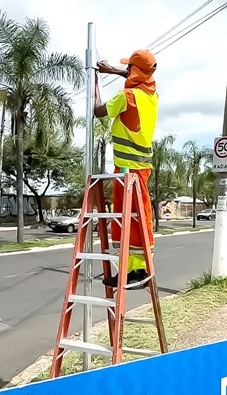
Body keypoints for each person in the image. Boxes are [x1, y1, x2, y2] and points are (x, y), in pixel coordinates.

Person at [94, 49, 158, 287]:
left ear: (134, 71)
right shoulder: (150, 93)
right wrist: (113, 70)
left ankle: (140, 271)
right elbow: (138, 77)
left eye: (129, 67)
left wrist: (95, 82)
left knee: (131, 222)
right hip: (135, 170)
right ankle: (130, 271)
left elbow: (98, 111)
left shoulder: (128, 96)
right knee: (128, 221)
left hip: (128, 171)